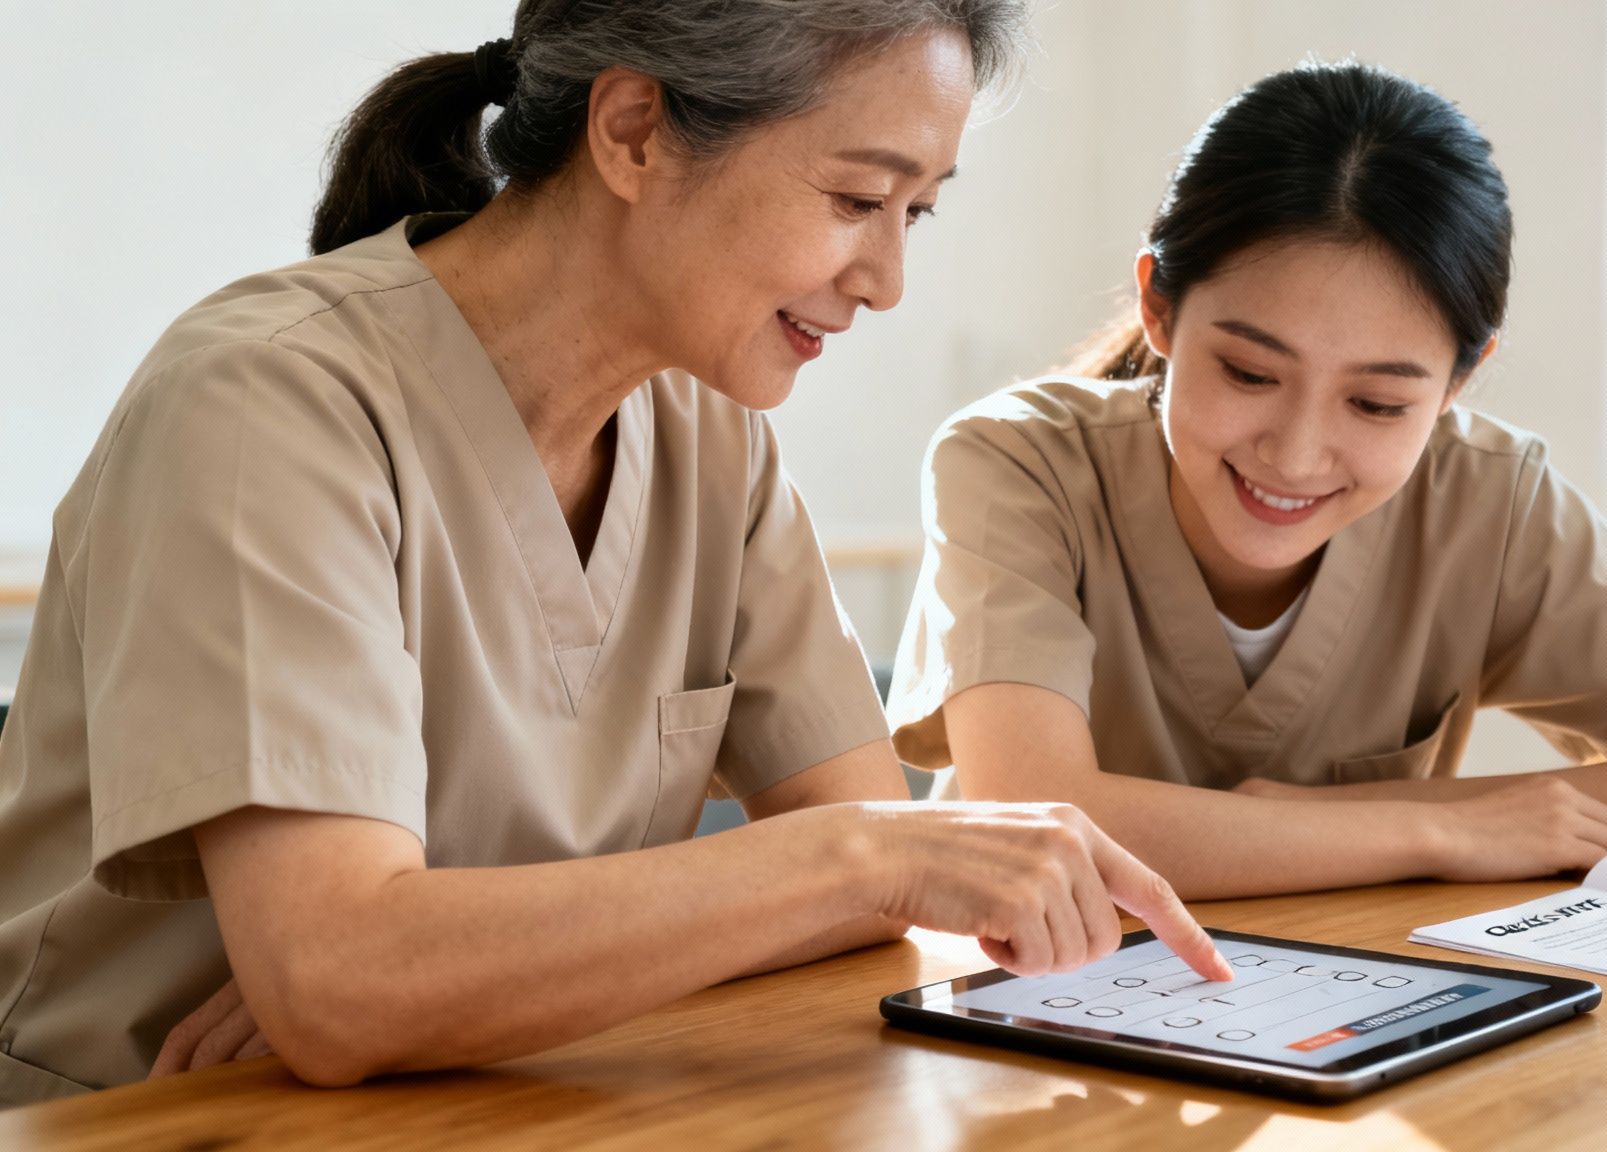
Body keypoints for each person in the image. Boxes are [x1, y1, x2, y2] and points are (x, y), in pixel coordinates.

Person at [0, 0, 1232, 1107]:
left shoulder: (713, 439)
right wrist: (373, 979)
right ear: (635, 130)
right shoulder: (267, 403)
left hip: (485, 1098)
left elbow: (868, 903)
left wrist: (431, 982)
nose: (888, 280)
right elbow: (342, 984)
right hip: (144, 1115)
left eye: (915, 212)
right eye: (858, 200)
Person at [886, 61, 1607, 901]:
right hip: (1036, 1022)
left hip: (1355, 1010)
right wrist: (1441, 829)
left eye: (1379, 406)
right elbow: (1043, 821)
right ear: (1160, 308)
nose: (1298, 455)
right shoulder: (1016, 464)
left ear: (1458, 384)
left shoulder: (1491, 501)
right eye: (1250, 374)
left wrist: (1381, 809)